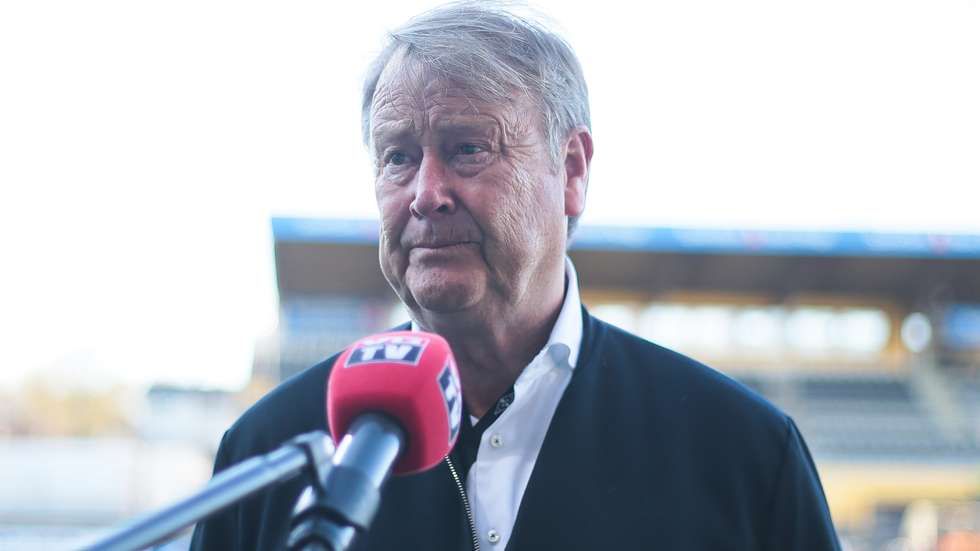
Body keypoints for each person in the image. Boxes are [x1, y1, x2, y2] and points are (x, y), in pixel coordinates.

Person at [192, 3, 841, 550]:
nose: (426, 194)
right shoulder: (270, 452)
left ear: (573, 169)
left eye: (468, 148)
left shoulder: (743, 454)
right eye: (398, 157)